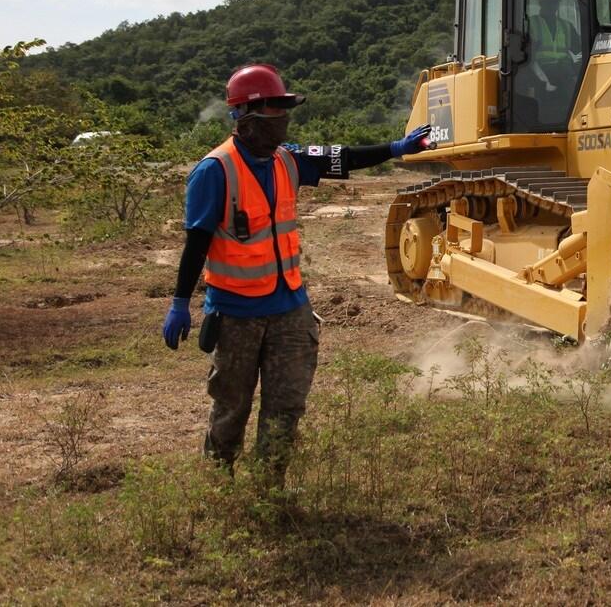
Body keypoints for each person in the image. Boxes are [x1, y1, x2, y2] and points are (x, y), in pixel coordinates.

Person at [161, 62, 434, 481]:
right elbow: (196, 243)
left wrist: (395, 149)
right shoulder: (214, 171)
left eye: (284, 109)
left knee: (286, 406)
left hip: (290, 309)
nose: (282, 119)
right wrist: (180, 302)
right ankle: (218, 487)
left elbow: (342, 158)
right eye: (274, 109)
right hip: (236, 314)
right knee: (231, 407)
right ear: (245, 117)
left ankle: (268, 487)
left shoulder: (288, 160)